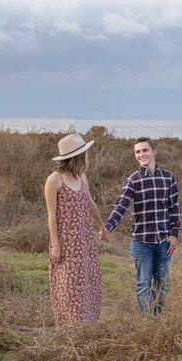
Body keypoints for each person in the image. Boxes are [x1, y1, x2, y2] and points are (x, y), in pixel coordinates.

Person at [100, 137, 181, 316]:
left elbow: (174, 208)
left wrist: (174, 235)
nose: (141, 154)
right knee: (144, 284)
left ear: (154, 152)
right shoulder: (133, 180)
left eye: (145, 150)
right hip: (141, 242)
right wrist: (108, 227)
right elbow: (121, 206)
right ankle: (148, 323)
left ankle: (157, 319)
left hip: (163, 242)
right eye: (137, 152)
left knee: (163, 285)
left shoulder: (168, 178)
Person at [44, 133, 106, 327]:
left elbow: (89, 203)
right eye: (84, 154)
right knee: (69, 285)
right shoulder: (54, 180)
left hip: (84, 239)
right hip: (66, 241)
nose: (87, 157)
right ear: (77, 157)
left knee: (87, 281)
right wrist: (55, 244)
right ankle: (69, 326)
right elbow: (51, 214)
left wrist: (102, 226)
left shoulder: (82, 178)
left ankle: (87, 325)